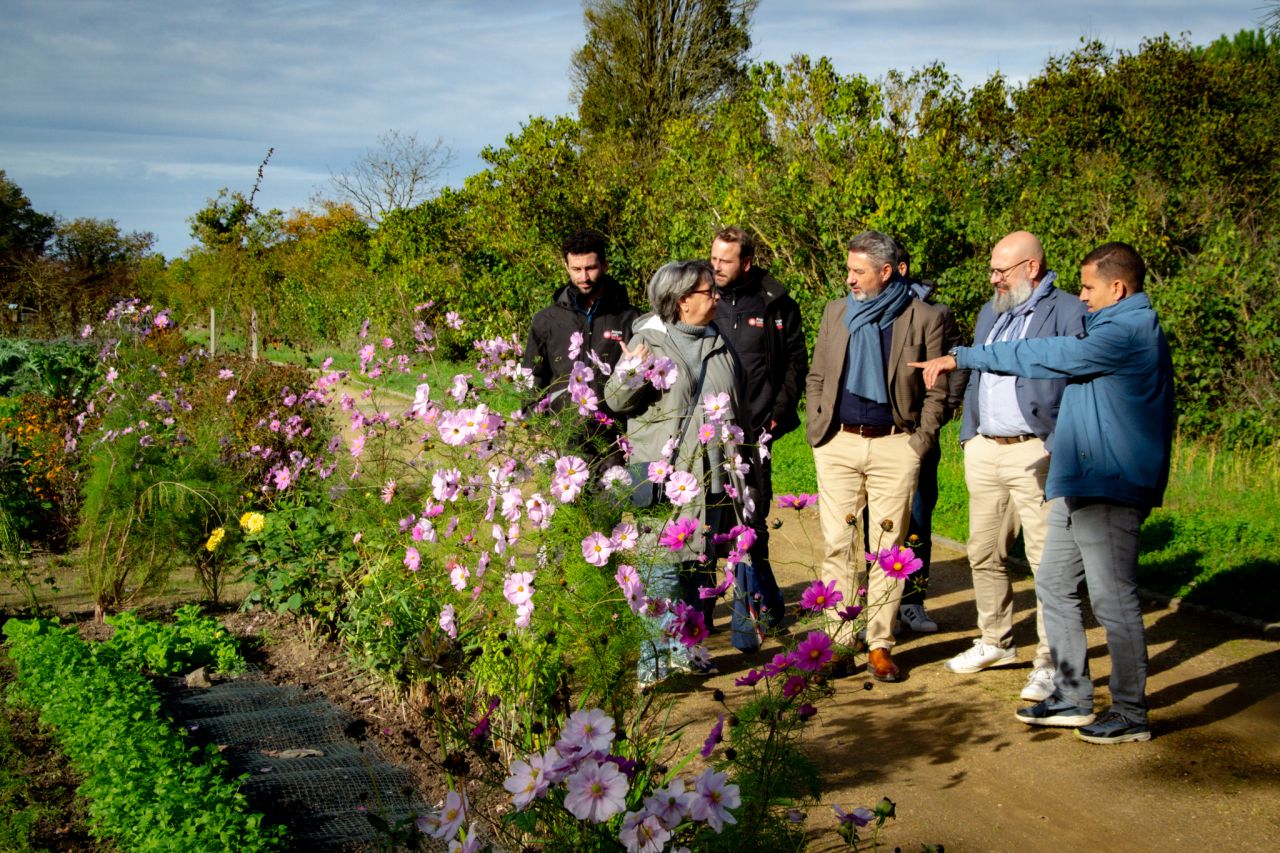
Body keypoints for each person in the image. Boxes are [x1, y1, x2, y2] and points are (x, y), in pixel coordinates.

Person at [914, 241, 1174, 744]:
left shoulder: (1127, 331)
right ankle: (1073, 695)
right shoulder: (1108, 324)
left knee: (1112, 599)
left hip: (1110, 483)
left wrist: (965, 356)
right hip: (1077, 480)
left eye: (1089, 286)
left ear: (1118, 288)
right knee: (1053, 584)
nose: (1082, 295)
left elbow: (1049, 354)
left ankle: (1130, 712)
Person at [942, 231, 1086, 706]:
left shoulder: (1067, 311)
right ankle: (996, 641)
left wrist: (1060, 440)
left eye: (1001, 270)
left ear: (1032, 267)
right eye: (991, 269)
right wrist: (970, 435)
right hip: (986, 447)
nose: (993, 278)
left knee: (1048, 562)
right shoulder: (992, 309)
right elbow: (978, 372)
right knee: (982, 550)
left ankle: (1050, 662)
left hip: (1036, 449)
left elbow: (1080, 378)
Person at [805, 231, 948, 682]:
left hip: (895, 444)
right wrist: (818, 432)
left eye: (857, 271)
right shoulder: (836, 312)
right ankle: (841, 640)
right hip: (838, 443)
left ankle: (880, 644)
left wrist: (918, 442)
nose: (849, 279)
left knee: (889, 550)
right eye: (848, 269)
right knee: (838, 544)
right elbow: (817, 375)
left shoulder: (924, 317)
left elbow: (940, 388)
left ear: (885, 273)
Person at [604, 260, 754, 687]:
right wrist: (631, 370)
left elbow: (735, 409)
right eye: (709, 291)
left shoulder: (719, 344)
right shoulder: (647, 340)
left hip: (708, 474)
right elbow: (615, 402)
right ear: (683, 299)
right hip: (663, 476)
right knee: (660, 569)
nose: (717, 296)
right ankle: (651, 661)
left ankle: (686, 648)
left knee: (696, 567)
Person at [708, 227, 808, 638]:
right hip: (706, 432)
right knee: (710, 523)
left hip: (753, 433)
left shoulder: (776, 304)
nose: (715, 267)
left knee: (752, 522)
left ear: (746, 263)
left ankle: (759, 612)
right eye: (713, 258)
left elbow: (795, 366)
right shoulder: (700, 295)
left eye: (724, 261)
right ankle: (708, 601)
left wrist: (776, 415)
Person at [891, 239, 967, 635]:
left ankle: (913, 603)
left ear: (899, 269)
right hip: (875, 438)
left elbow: (955, 367)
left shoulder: (936, 314)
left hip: (918, 438)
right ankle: (880, 605)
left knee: (918, 520)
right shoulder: (867, 310)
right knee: (879, 523)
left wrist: (931, 428)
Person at [522, 229, 639, 468]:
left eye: (590, 268)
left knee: (611, 504)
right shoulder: (547, 320)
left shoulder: (629, 318)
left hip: (613, 438)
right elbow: (532, 375)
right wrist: (535, 425)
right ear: (566, 266)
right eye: (576, 269)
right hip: (563, 437)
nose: (583, 276)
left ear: (604, 265)